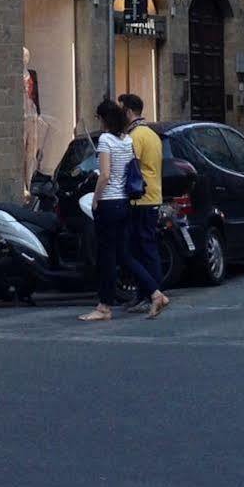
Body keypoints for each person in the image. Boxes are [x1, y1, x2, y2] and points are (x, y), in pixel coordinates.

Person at [79, 98, 167, 323]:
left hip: (108, 202)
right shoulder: (127, 140)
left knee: (107, 257)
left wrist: (96, 199)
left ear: (103, 118)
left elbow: (105, 175)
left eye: (98, 118)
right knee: (123, 254)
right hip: (125, 202)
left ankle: (104, 306)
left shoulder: (106, 140)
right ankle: (155, 293)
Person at [119, 92, 170, 318]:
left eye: (122, 110)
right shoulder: (151, 134)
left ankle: (151, 293)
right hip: (153, 197)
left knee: (140, 249)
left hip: (140, 199)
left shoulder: (136, 136)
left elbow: (131, 166)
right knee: (146, 248)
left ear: (129, 112)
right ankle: (147, 293)